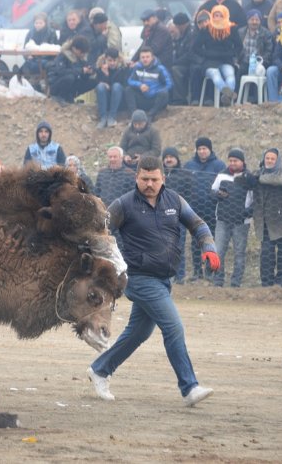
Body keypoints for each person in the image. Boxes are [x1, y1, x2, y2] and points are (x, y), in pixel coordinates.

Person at [86, 155, 219, 407]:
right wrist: (102, 264)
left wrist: (208, 247)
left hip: (164, 278)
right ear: (136, 177)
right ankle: (189, 387)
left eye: (154, 179)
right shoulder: (123, 205)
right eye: (144, 179)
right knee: (173, 327)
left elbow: (198, 224)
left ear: (162, 178)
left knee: (138, 332)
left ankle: (100, 369)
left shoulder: (175, 201)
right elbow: (99, 230)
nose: (149, 183)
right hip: (138, 278)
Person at [238, 148, 282, 287]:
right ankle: (266, 285)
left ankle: (281, 285)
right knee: (266, 255)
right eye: (267, 158)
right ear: (263, 159)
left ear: (277, 161)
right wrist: (246, 176)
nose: (269, 161)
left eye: (273, 159)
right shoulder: (257, 173)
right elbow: (239, 181)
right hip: (265, 222)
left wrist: (258, 179)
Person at [184, 137, 226, 280]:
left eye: (205, 149)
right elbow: (184, 187)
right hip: (193, 211)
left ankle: (210, 271)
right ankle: (197, 272)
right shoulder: (189, 165)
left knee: (210, 242)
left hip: (212, 210)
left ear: (210, 149)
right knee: (195, 242)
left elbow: (224, 186)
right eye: (199, 149)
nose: (202, 151)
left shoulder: (219, 165)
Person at [210, 148, 252, 287]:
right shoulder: (222, 175)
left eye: (236, 160)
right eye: (230, 160)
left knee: (239, 253)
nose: (233, 163)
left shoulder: (248, 178)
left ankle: (235, 283)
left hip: (241, 222)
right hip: (222, 220)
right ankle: (218, 281)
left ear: (242, 162)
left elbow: (255, 199)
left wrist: (247, 212)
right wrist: (217, 195)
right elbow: (212, 192)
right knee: (219, 251)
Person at [192, 4, 242, 107]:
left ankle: (226, 97)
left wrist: (230, 53)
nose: (217, 18)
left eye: (220, 15)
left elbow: (239, 46)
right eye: (215, 15)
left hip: (226, 59)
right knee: (215, 74)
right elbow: (196, 47)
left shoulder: (231, 29)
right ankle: (228, 94)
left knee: (230, 75)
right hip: (210, 61)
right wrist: (207, 53)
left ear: (225, 16)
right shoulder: (206, 30)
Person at [163, 147, 194, 284]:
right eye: (166, 157)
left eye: (171, 157)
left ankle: (180, 277)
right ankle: (164, 275)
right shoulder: (159, 175)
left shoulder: (185, 175)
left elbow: (191, 196)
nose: (169, 159)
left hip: (179, 217)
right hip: (161, 218)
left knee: (178, 247)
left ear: (177, 159)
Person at [124, 47, 172, 120]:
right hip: (143, 98)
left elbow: (169, 84)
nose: (145, 59)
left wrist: (156, 91)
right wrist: (139, 85)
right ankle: (134, 115)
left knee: (164, 93)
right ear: (140, 58)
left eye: (147, 57)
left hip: (156, 99)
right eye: (143, 57)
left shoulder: (160, 68)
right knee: (128, 90)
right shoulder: (137, 67)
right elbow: (130, 81)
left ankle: (150, 116)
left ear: (152, 57)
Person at [46, 35, 97, 104]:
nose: (83, 54)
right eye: (81, 52)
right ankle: (59, 96)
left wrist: (89, 72)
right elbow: (61, 72)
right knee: (70, 78)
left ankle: (70, 96)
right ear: (74, 48)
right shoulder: (63, 56)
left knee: (93, 82)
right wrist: (81, 70)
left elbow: (83, 76)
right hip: (57, 84)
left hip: (72, 86)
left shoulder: (82, 58)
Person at [94, 47, 128, 128]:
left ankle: (112, 117)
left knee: (116, 86)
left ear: (118, 60)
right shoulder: (100, 69)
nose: (112, 63)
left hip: (119, 101)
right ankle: (103, 117)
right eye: (110, 60)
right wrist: (105, 74)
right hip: (105, 100)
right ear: (105, 59)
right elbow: (96, 84)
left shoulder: (123, 69)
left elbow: (124, 85)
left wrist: (109, 81)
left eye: (114, 60)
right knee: (100, 86)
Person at [168, 12, 196, 105]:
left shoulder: (192, 33)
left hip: (192, 62)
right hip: (184, 60)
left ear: (181, 25)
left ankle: (180, 99)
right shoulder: (183, 34)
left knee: (175, 70)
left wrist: (176, 62)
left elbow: (190, 53)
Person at [238, 9, 274, 80]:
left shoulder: (266, 33)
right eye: (252, 19)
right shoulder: (240, 32)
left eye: (257, 20)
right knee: (239, 70)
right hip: (243, 62)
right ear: (247, 20)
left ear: (260, 21)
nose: (254, 22)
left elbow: (269, 51)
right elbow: (236, 49)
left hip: (259, 63)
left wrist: (260, 62)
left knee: (258, 73)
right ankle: (235, 91)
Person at [21, 12, 58, 77]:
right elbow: (25, 47)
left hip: (47, 59)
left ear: (45, 23)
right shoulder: (31, 32)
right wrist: (28, 55)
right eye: (36, 23)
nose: (38, 25)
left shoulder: (51, 32)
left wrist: (40, 55)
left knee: (35, 65)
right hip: (33, 59)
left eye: (40, 23)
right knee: (27, 65)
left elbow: (54, 48)